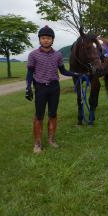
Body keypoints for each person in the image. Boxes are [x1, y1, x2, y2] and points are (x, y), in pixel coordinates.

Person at [25, 25, 80, 153]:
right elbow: (29, 73)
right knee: (39, 115)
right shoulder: (33, 55)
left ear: (52, 40)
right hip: (40, 87)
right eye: (43, 38)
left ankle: (51, 139)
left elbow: (63, 71)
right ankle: (37, 143)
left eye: (48, 38)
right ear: (39, 39)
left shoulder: (58, 55)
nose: (46, 40)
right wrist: (28, 88)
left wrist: (76, 74)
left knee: (53, 114)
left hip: (54, 87)